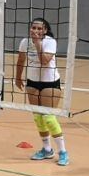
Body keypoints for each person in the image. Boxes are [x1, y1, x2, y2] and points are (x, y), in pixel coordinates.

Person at [15, 17, 68, 166]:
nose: (36, 31)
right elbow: (20, 61)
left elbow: (44, 61)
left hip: (50, 83)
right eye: (34, 28)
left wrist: (38, 44)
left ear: (45, 30)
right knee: (38, 117)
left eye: (39, 29)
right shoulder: (25, 42)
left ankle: (63, 152)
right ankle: (46, 149)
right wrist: (17, 78)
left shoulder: (50, 42)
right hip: (32, 82)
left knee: (49, 118)